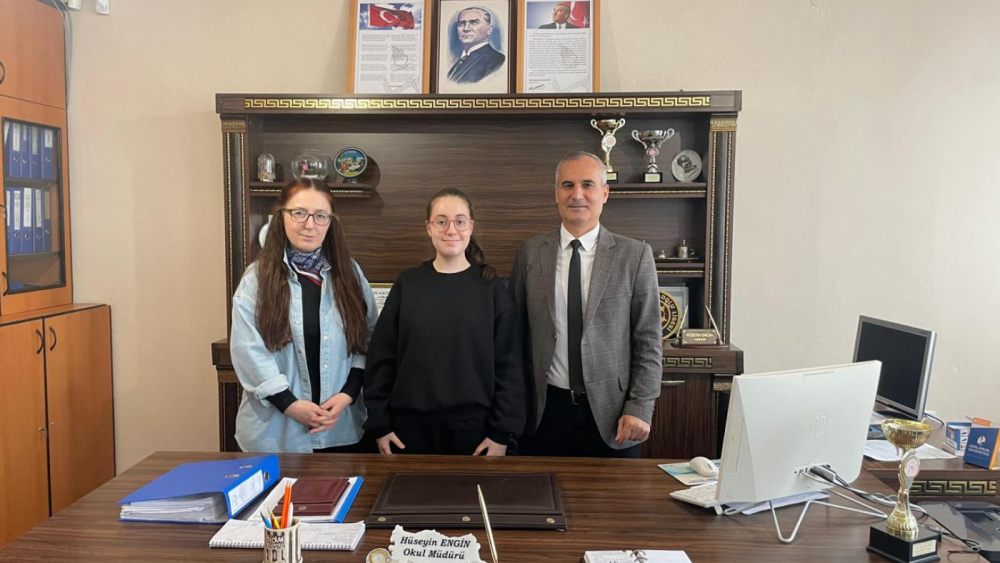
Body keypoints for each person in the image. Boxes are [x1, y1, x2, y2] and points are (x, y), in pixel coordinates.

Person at [511, 152, 662, 458]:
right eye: (568, 185)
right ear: (556, 193)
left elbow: (648, 340)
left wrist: (640, 407)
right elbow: (515, 338)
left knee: (613, 492)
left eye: (587, 185)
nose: (577, 194)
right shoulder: (530, 253)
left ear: (604, 193)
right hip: (542, 416)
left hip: (615, 417)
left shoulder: (634, 255)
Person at [364, 188, 524, 456]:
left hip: (477, 433)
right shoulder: (408, 284)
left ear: (470, 227)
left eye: (459, 221)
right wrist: (379, 423)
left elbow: (510, 366)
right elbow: (381, 359)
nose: (451, 230)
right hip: (407, 432)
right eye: (441, 221)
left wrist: (501, 432)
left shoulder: (492, 289)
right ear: (429, 227)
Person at [230, 178, 378, 453]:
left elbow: (367, 340)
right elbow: (248, 350)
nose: (310, 225)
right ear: (281, 216)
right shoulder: (257, 279)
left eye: (320, 215)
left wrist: (348, 394)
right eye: (299, 213)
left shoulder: (350, 274)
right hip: (277, 434)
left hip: (341, 429)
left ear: (331, 222)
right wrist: (288, 403)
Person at [446, 7, 506, 84]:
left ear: (489, 29)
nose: (466, 28)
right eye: (461, 24)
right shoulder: (460, 61)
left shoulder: (497, 60)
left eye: (474, 23)